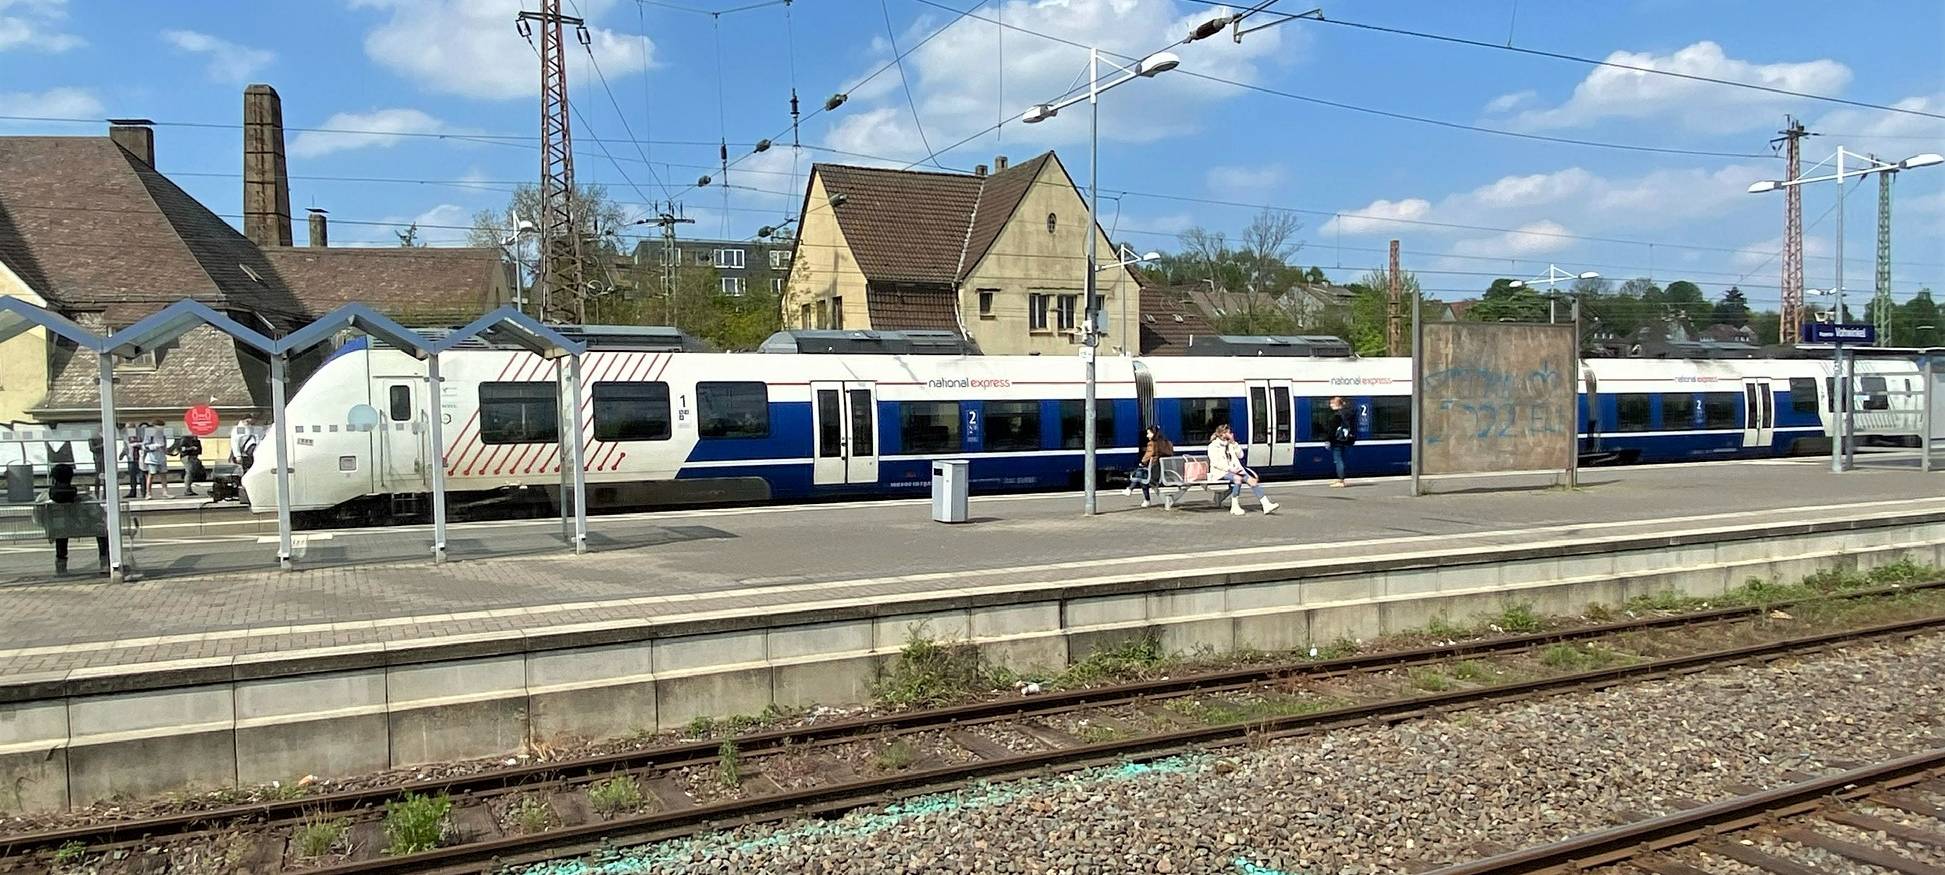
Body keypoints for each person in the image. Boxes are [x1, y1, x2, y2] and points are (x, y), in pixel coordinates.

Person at [34, 463, 108, 576]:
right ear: (71, 477)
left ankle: (61, 566)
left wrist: (47, 524)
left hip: (56, 530)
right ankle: (105, 563)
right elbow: (97, 514)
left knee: (61, 530)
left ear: (53, 478)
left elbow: (37, 518)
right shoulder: (84, 496)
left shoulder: (44, 497)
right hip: (83, 528)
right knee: (102, 529)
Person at [1206, 424, 1278, 516]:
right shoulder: (1213, 446)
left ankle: (1266, 504)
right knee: (1237, 479)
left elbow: (1241, 455)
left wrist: (1234, 443)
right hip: (1220, 472)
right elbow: (1216, 463)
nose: (1231, 434)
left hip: (1234, 470)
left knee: (1252, 481)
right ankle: (1234, 507)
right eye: (1228, 433)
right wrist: (1231, 469)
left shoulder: (1230, 444)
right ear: (1222, 434)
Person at [1122, 425, 1174, 508]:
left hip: (1155, 473)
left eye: (1148, 433)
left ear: (1154, 433)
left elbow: (1148, 454)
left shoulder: (1152, 444)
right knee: (1142, 476)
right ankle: (1144, 499)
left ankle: (1131, 489)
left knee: (1140, 474)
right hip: (1164, 472)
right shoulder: (1167, 442)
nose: (1147, 436)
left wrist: (1142, 463)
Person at [1326, 396, 1356, 488]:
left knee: (1338, 460)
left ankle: (1341, 480)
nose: (1330, 405)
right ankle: (1341, 479)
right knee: (1340, 459)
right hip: (1345, 439)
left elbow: (1331, 431)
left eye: (1332, 403)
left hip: (1336, 440)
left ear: (1336, 404)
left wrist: (1328, 440)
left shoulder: (1336, 416)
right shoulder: (1347, 414)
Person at [173, 431, 205, 497]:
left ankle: (189, 489)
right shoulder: (185, 438)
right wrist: (191, 448)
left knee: (192, 473)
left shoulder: (196, 440)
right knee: (189, 472)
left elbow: (199, 450)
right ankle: (187, 490)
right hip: (187, 457)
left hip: (194, 457)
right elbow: (181, 449)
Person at [142, 424, 170, 498]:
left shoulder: (163, 434)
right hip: (152, 457)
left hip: (162, 457)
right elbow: (144, 445)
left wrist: (166, 450)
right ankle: (148, 493)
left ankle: (165, 492)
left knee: (163, 475)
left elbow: (164, 446)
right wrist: (155, 446)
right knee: (151, 475)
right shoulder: (150, 434)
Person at [122, 424, 144, 499]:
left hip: (140, 458)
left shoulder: (140, 435)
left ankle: (144, 491)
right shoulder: (126, 436)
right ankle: (133, 491)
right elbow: (126, 446)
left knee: (141, 476)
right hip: (131, 458)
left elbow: (144, 443)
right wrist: (123, 453)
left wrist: (137, 444)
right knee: (132, 476)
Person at [87, 432, 106, 498]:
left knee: (105, 476)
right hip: (98, 459)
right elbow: (92, 448)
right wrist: (102, 445)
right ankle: (96, 493)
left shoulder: (103, 435)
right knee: (98, 476)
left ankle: (105, 493)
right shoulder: (92, 438)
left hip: (106, 458)